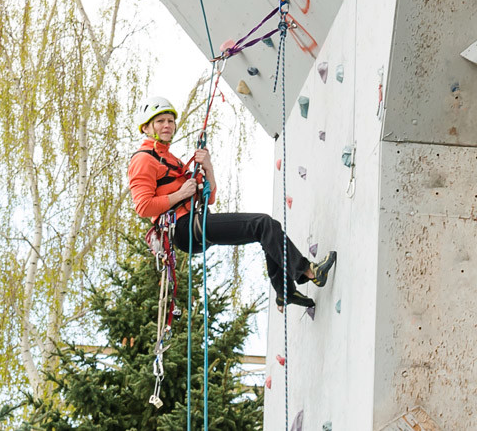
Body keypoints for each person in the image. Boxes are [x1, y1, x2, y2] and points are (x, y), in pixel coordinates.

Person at [127, 96, 336, 310]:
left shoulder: (172, 159)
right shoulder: (143, 159)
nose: (167, 125)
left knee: (265, 232)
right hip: (184, 228)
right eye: (161, 121)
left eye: (170, 121)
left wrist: (208, 168)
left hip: (196, 222)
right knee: (263, 224)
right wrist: (179, 195)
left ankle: (285, 292)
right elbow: (143, 207)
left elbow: (211, 196)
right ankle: (309, 272)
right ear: (146, 127)